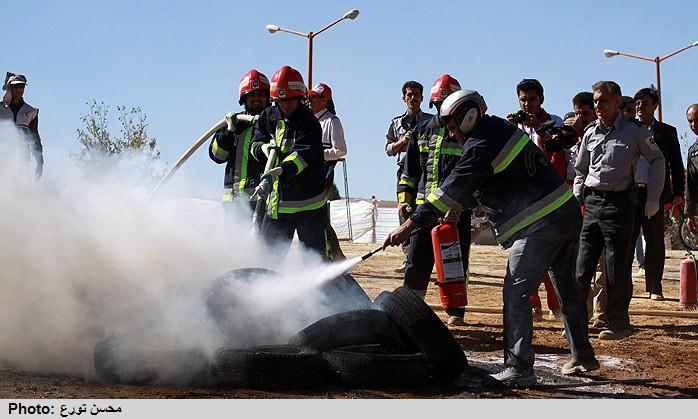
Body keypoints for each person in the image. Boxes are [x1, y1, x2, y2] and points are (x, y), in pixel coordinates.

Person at [384, 89, 598, 387]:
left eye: (453, 126)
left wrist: (408, 226)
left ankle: (519, 367)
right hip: (564, 212)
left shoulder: (480, 144)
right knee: (567, 288)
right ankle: (583, 356)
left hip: (541, 222)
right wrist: (462, 204)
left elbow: (453, 188)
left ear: (467, 117)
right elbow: (493, 182)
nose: (452, 133)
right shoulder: (497, 130)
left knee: (515, 291)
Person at [575, 81, 665, 340]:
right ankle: (576, 321)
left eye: (603, 101)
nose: (598, 106)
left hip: (620, 204)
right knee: (582, 267)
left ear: (617, 102)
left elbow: (657, 160)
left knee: (616, 266)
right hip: (592, 204)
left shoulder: (634, 131)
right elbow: (581, 169)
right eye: (595, 101)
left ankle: (618, 323)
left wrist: (653, 198)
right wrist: (577, 197)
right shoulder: (590, 132)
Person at [397, 74, 470, 327]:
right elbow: (410, 172)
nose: (442, 110)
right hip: (423, 211)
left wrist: (461, 205)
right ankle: (408, 308)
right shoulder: (423, 129)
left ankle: (455, 311)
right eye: (438, 105)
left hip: (454, 213)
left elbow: (474, 176)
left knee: (454, 263)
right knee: (416, 261)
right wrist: (405, 202)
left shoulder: (468, 132)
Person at [250, 66, 327, 258]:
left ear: (300, 98)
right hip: (278, 206)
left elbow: (302, 155)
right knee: (267, 261)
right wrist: (262, 149)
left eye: (290, 101)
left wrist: (281, 170)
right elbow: (255, 142)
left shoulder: (309, 122)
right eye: (281, 101)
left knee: (315, 262)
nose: (285, 106)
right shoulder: (269, 116)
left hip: (309, 206)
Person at [507, 78, 563, 322]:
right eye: (523, 99)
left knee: (550, 255)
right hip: (523, 200)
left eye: (531, 99)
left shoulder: (554, 123)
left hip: (548, 196)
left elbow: (557, 155)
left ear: (541, 99)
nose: (527, 104)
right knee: (524, 255)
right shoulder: (516, 126)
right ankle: (533, 305)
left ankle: (555, 305)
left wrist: (539, 128)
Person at [634, 87, 684, 301]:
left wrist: (678, 193)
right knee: (626, 240)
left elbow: (675, 163)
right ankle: (624, 288)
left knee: (654, 240)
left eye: (645, 103)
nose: (640, 107)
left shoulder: (667, 132)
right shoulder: (628, 129)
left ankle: (654, 286)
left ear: (655, 106)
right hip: (630, 193)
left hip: (656, 193)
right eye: (637, 103)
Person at [564, 91, 607, 327]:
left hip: (599, 204)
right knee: (579, 264)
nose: (582, 119)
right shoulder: (569, 138)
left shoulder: (603, 135)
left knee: (601, 263)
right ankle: (582, 314)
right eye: (578, 114)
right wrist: (569, 135)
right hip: (575, 206)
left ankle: (602, 313)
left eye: (586, 114)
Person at [385, 81, 433, 273]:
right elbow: (388, 149)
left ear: (422, 97)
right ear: (404, 98)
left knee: (424, 211)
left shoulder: (431, 121)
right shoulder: (396, 123)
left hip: (425, 171)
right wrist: (402, 141)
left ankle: (426, 256)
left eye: (416, 94)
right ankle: (408, 258)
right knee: (404, 212)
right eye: (409, 94)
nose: (413, 98)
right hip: (403, 172)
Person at [208, 69, 270, 217]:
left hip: (264, 199)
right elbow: (217, 156)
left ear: (268, 98)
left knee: (265, 241)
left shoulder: (275, 124)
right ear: (244, 99)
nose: (256, 99)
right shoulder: (234, 124)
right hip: (234, 203)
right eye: (251, 95)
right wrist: (228, 132)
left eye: (260, 94)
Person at [308, 82, 348, 260]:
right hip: (308, 174)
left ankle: (335, 253)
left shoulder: (332, 121)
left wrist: (317, 154)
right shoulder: (309, 121)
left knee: (319, 215)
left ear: (325, 100)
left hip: (323, 175)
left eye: (315, 97)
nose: (310, 100)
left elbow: (341, 150)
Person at [0, 73, 43, 178]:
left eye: (22, 86)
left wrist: (39, 161)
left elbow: (35, 137)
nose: (19, 89)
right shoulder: (1, 109)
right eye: (16, 86)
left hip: (22, 157)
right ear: (10, 88)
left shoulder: (30, 111)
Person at [685, 104, 698, 233]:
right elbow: (691, 184)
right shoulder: (693, 151)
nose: (694, 124)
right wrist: (689, 214)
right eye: (690, 121)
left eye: (697, 119)